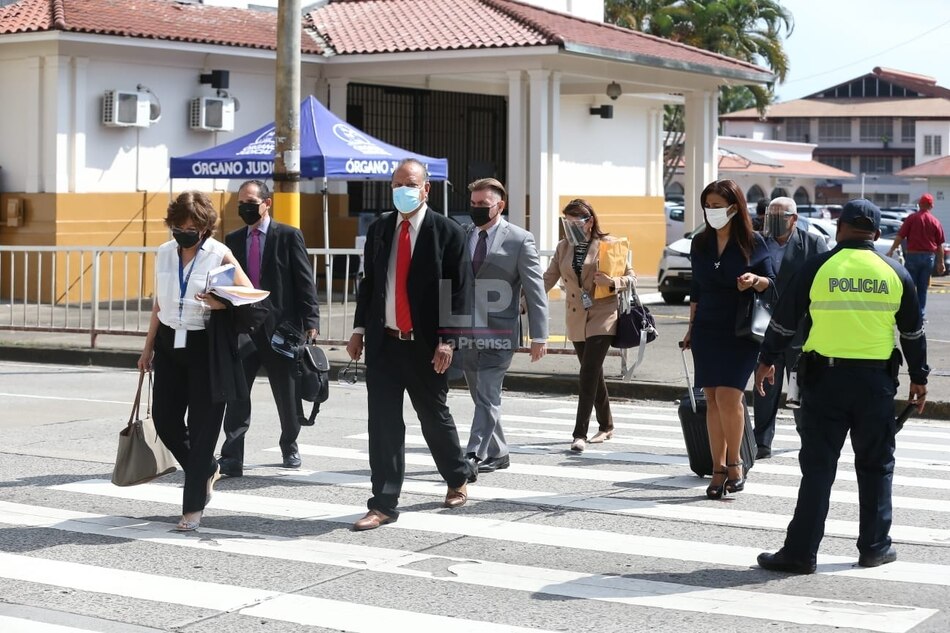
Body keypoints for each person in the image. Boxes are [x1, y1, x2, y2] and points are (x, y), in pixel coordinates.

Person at [755, 199, 928, 574]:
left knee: (818, 468)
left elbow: (785, 321)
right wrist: (920, 378)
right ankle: (875, 547)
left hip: (824, 382)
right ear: (878, 234)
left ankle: (800, 553)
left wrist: (767, 360)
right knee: (876, 465)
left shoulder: (816, 267)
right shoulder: (895, 272)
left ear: (839, 228)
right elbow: (913, 332)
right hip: (876, 385)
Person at [345, 158, 477, 531]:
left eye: (410, 184)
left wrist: (448, 341)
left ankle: (457, 476)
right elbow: (369, 283)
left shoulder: (447, 232)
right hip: (385, 343)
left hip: (426, 346)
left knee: (433, 417)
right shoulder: (381, 229)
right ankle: (383, 502)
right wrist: (358, 329)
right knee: (383, 425)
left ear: (426, 188)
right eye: (396, 185)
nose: (402, 191)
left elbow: (460, 293)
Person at [137, 191, 256, 531]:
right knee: (164, 419)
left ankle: (192, 508)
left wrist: (221, 305)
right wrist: (147, 348)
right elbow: (159, 305)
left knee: (204, 430)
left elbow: (250, 296)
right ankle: (204, 469)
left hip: (206, 347)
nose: (185, 231)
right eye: (179, 225)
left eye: (193, 226)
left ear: (205, 228)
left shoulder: (219, 254)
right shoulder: (163, 254)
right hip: (170, 344)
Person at [218, 180, 321, 476]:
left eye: (251, 202)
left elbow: (304, 281)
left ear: (267, 203)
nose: (245, 208)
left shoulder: (288, 236)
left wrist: (310, 321)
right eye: (241, 203)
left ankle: (289, 443)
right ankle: (232, 456)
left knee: (287, 394)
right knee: (237, 394)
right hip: (243, 329)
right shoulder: (233, 239)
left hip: (281, 329)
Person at [681, 179, 775, 499]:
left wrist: (755, 280)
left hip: (741, 329)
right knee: (711, 398)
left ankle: (735, 463)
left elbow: (772, 284)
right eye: (707, 206)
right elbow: (696, 289)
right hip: (708, 326)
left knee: (730, 396)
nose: (711, 212)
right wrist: (691, 328)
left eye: (717, 206)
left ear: (734, 207)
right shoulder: (700, 243)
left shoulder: (754, 241)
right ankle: (717, 468)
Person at [461, 178, 548, 473]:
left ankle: (471, 455)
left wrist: (540, 335)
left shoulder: (520, 239)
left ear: (500, 205)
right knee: (483, 397)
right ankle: (500, 453)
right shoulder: (464, 234)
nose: (476, 209)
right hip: (466, 332)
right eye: (472, 204)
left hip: (500, 332)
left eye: (482, 205)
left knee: (486, 393)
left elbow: (535, 290)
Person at [543, 199, 635, 453]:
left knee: (588, 373)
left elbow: (631, 276)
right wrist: (523, 303)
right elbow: (549, 278)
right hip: (575, 315)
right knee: (592, 372)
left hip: (603, 314)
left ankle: (579, 433)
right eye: (567, 222)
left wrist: (612, 281)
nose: (570, 227)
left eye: (575, 222)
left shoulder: (609, 244)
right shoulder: (563, 247)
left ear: (589, 221)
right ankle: (606, 425)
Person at [752, 197, 828, 459]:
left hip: (800, 330)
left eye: (779, 216)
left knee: (800, 389)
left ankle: (808, 437)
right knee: (764, 388)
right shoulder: (757, 242)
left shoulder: (813, 244)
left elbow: (822, 285)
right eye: (768, 216)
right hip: (765, 326)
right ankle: (761, 441)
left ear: (794, 218)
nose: (771, 222)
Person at [886, 193, 945, 320]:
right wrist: (941, 262)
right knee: (923, 288)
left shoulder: (912, 218)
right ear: (931, 205)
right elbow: (940, 244)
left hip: (913, 256)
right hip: (929, 257)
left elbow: (900, 236)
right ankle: (920, 315)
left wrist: (892, 250)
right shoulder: (935, 221)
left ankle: (907, 313)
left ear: (920, 204)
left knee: (909, 287)